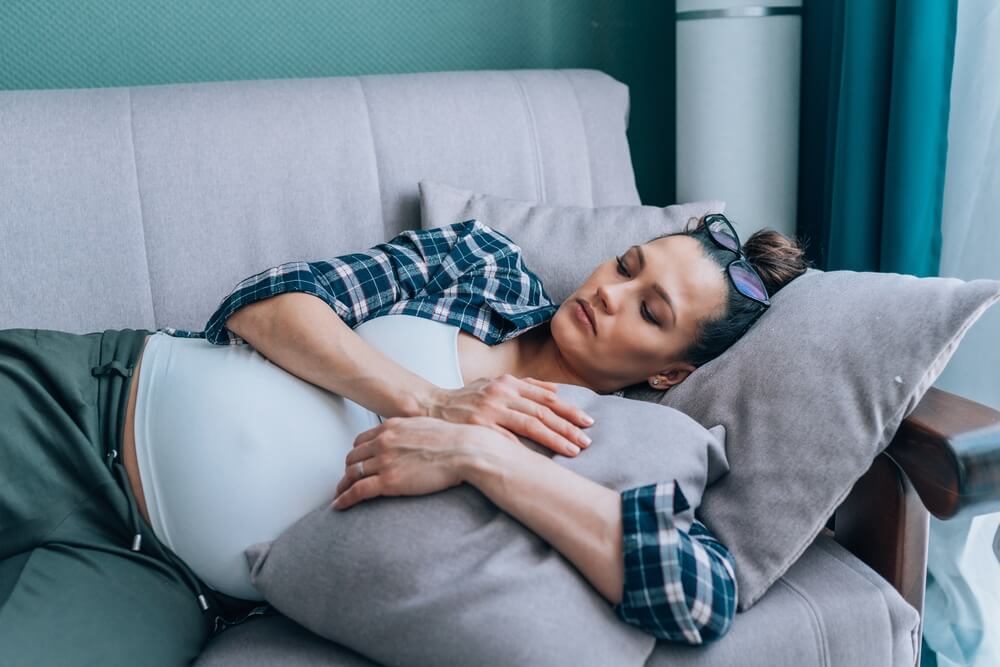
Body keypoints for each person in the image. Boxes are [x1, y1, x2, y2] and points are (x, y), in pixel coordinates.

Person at [0, 213, 809, 666]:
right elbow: (264, 303)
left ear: (669, 374)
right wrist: (428, 402)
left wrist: (480, 455)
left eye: (650, 312)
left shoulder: (610, 441)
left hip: (158, 581)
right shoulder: (487, 267)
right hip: (85, 403)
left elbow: (698, 595)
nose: (610, 291)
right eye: (628, 264)